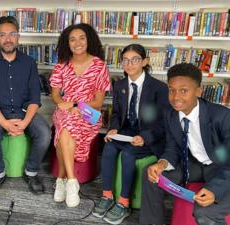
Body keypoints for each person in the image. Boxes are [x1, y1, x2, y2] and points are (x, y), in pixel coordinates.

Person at [140, 63, 230, 225]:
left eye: (183, 90)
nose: (176, 97)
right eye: (171, 90)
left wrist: (214, 190)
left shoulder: (222, 117)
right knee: (151, 176)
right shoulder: (170, 114)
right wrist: (162, 164)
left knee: (204, 212)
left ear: (198, 91)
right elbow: (172, 147)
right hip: (192, 165)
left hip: (222, 169)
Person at [93, 44, 169, 224]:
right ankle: (107, 195)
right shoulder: (119, 85)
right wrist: (114, 129)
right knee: (109, 147)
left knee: (128, 154)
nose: (129, 64)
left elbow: (163, 122)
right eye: (125, 60)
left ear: (145, 61)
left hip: (149, 134)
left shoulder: (159, 88)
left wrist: (146, 137)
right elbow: (118, 114)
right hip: (127, 131)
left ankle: (124, 202)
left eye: (135, 59)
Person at [0, 16, 51, 196]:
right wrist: (5, 123)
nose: (8, 39)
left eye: (12, 34)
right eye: (2, 35)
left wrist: (25, 122)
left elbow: (35, 97)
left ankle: (31, 172)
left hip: (25, 112)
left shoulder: (29, 63)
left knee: (44, 134)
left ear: (18, 37)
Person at [49, 23, 110, 208]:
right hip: (65, 109)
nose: (77, 42)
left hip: (90, 112)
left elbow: (98, 103)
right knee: (66, 124)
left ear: (88, 39)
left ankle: (61, 179)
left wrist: (77, 104)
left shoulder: (99, 66)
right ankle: (71, 182)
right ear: (67, 43)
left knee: (65, 129)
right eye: (72, 39)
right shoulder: (61, 65)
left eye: (81, 37)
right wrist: (62, 104)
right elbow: (55, 94)